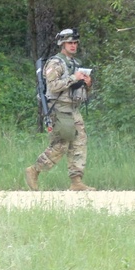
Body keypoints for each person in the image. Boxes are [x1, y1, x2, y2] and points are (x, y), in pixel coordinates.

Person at [25, 28, 95, 191]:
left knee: (79, 143)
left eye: (75, 42)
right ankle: (34, 170)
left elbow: (78, 89)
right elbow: (53, 86)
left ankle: (76, 181)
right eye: (70, 43)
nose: (73, 46)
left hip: (73, 108)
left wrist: (87, 84)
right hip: (59, 109)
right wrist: (73, 78)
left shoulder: (75, 64)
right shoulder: (55, 63)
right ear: (62, 44)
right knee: (60, 145)